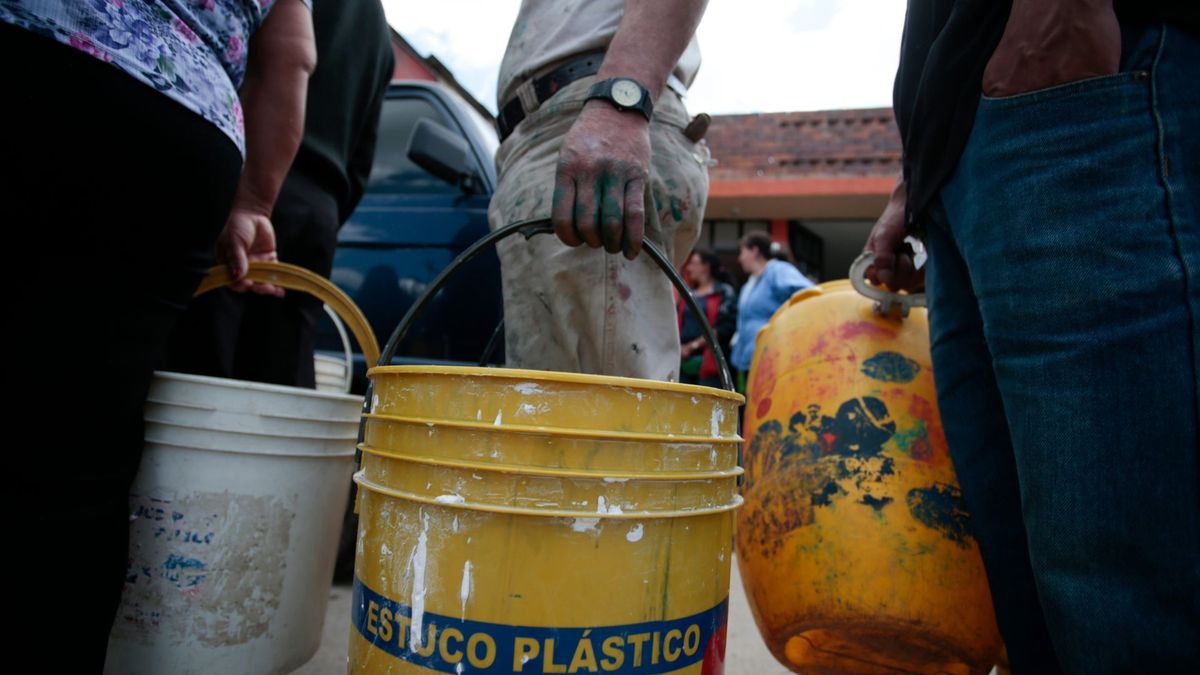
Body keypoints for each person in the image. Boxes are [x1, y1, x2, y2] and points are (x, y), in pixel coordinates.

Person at [863, 1, 1199, 671]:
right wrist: (916, 179)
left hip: (1074, 87)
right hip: (964, 156)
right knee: (1035, 611)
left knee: (1124, 604)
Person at [2, 0, 315, 667]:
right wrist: (253, 202)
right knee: (81, 456)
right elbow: (291, 57)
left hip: (34, 51)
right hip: (173, 134)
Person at [166, 0, 395, 388]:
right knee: (284, 369)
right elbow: (362, 159)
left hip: (246, 178)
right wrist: (325, 212)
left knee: (202, 366)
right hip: (318, 211)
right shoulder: (379, 35)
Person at [488, 0, 711, 381]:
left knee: (607, 415)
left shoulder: (610, 112)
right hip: (558, 126)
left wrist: (620, 99)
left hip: (596, 116)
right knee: (562, 416)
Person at [732, 232, 813, 390]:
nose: (739, 259)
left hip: (774, 357)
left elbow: (807, 293)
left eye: (742, 252)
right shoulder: (749, 284)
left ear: (754, 251)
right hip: (750, 360)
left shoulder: (778, 270)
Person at [678, 249, 736, 388]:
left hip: (711, 362)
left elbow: (725, 327)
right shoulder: (688, 293)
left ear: (706, 266)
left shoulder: (724, 292)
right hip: (684, 360)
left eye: (693, 263)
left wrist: (692, 346)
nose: (689, 267)